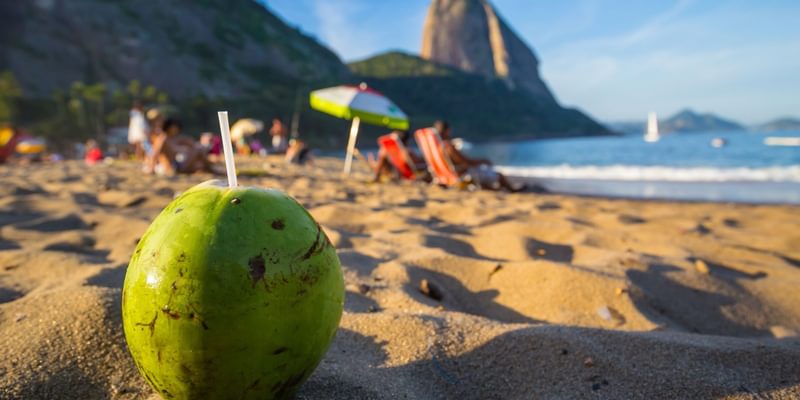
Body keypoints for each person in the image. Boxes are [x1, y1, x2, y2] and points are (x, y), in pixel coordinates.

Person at [434, 120, 524, 192]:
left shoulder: (437, 148)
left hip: (450, 174)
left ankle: (492, 188)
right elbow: (466, 162)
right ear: (448, 131)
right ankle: (511, 190)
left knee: (485, 173)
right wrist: (483, 161)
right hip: (462, 173)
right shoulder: (448, 147)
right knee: (499, 175)